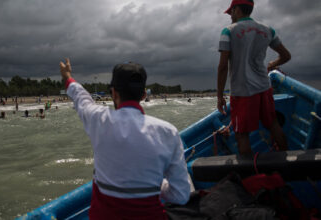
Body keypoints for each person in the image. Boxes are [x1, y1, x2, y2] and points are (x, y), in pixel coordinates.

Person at [60, 58, 191, 219]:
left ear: (113, 93)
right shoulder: (168, 132)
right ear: (143, 95)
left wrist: (67, 76)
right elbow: (181, 196)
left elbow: (81, 98)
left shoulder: (98, 120)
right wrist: (158, 184)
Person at [217, 0, 291, 155]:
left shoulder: (228, 31)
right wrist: (272, 63)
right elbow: (286, 56)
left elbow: (223, 66)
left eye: (231, 12)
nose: (230, 16)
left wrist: (219, 96)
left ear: (236, 10)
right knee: (273, 125)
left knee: (241, 134)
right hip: (265, 87)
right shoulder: (268, 30)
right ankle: (288, 165)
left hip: (242, 92)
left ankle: (249, 176)